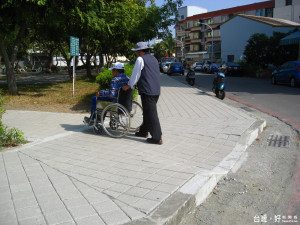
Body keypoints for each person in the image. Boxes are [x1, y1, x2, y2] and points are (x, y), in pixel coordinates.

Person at [122, 41, 162, 145]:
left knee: (151, 114)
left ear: (140, 51)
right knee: (148, 112)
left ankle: (157, 138)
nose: (136, 53)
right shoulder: (153, 58)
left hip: (147, 90)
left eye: (136, 51)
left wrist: (129, 85)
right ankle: (143, 131)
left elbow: (136, 74)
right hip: (156, 90)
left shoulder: (140, 59)